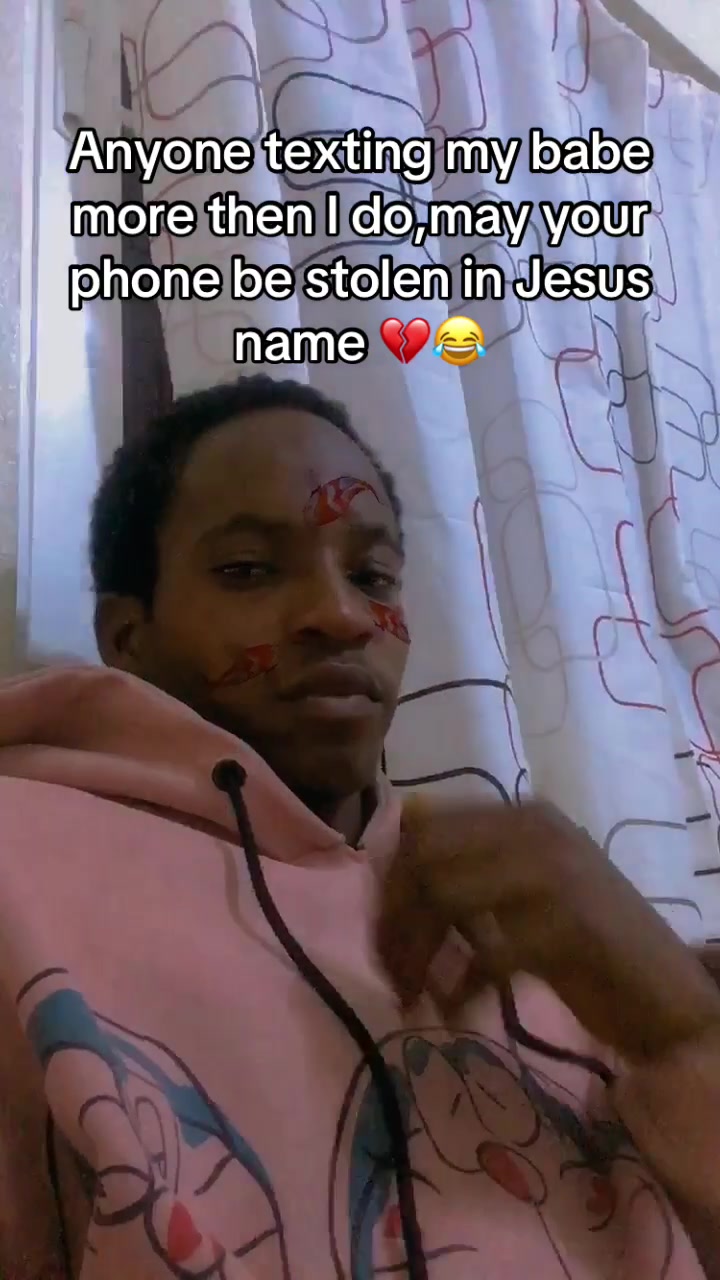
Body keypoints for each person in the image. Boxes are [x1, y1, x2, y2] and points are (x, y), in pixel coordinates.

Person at [0, 374, 718, 1280]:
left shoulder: (544, 927)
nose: (341, 616)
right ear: (127, 635)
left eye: (372, 577)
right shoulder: (19, 869)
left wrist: (684, 1031)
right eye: (248, 570)